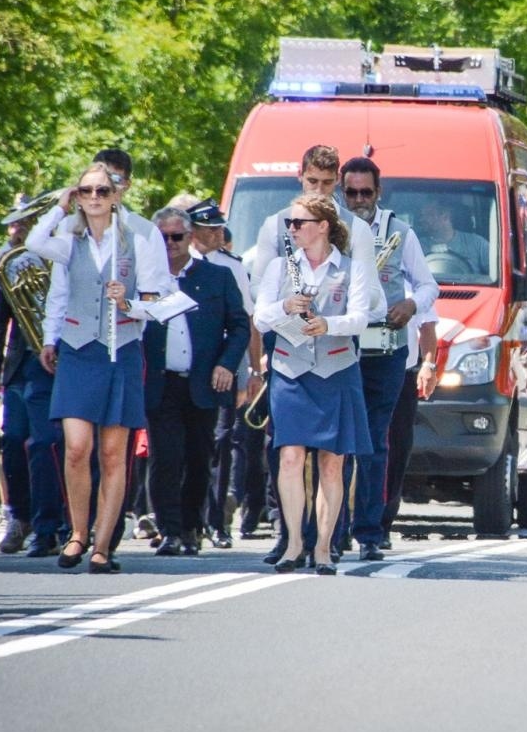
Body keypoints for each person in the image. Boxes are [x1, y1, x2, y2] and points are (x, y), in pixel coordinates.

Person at [29, 163, 163, 574]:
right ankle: (77, 533)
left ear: (117, 194)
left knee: (112, 453)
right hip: (77, 347)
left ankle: (103, 545)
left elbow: (161, 299)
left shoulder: (141, 236)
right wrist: (59, 206)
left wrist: (131, 304)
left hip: (121, 347)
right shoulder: (70, 237)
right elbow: (36, 247)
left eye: (102, 191)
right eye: (86, 191)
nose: (94, 198)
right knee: (76, 448)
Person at [253, 194, 383, 575]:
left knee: (332, 463)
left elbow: (361, 318)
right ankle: (294, 542)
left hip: (335, 369)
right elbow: (260, 318)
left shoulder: (351, 269)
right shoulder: (281, 268)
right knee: (290, 456)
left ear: (323, 226)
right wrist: (285, 308)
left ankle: (324, 547)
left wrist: (330, 324)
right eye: (289, 224)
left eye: (299, 223)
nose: (292, 230)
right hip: (290, 370)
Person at [341, 156, 438, 562]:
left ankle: (371, 529)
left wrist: (412, 304)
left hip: (386, 348)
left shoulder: (400, 232)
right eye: (352, 192)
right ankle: (332, 528)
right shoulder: (330, 230)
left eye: (366, 192)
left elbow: (429, 285)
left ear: (378, 193)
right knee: (339, 442)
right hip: (341, 347)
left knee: (376, 441)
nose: (359, 199)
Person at [141, 207, 249, 556]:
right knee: (165, 458)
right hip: (161, 381)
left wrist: (227, 365)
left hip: (204, 381)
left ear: (191, 238)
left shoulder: (217, 276)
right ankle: (170, 529)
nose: (170, 244)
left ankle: (192, 526)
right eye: (163, 237)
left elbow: (239, 327)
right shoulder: (146, 280)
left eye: (177, 236)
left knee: (200, 458)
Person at [0, 199, 66, 556]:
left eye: (24, 225)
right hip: (19, 366)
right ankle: (19, 516)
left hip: (51, 366)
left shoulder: (61, 258)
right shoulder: (11, 267)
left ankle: (47, 525)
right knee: (13, 439)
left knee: (43, 443)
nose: (15, 231)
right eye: (16, 226)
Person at [186, 198, 253, 548]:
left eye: (218, 228)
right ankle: (186, 520)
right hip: (185, 366)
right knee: (189, 445)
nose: (216, 233)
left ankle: (217, 521)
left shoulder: (232, 267)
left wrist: (249, 370)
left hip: (223, 365)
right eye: (208, 228)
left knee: (222, 441)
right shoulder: (178, 264)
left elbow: (245, 321)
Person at [381, 307, 439, 549]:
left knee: (397, 447)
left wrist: (428, 365)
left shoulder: (411, 279)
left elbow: (427, 326)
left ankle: (382, 522)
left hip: (401, 373)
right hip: (358, 369)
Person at [416, 198, 489, 277]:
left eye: (428, 215)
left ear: (445, 217)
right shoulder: (416, 246)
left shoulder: (477, 243)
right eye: (422, 215)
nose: (422, 219)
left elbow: (498, 276)